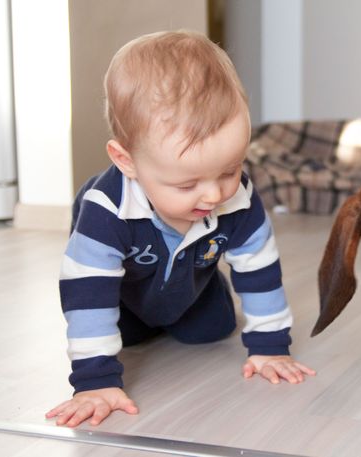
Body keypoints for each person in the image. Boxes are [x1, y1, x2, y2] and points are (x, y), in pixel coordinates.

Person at [45, 30, 315, 428]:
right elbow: (87, 293)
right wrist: (95, 381)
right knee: (122, 335)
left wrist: (270, 347)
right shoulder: (105, 210)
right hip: (122, 296)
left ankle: (201, 296)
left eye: (229, 169)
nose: (214, 194)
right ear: (127, 161)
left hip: (192, 289)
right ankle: (140, 326)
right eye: (187, 184)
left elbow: (259, 269)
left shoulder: (237, 198)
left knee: (212, 330)